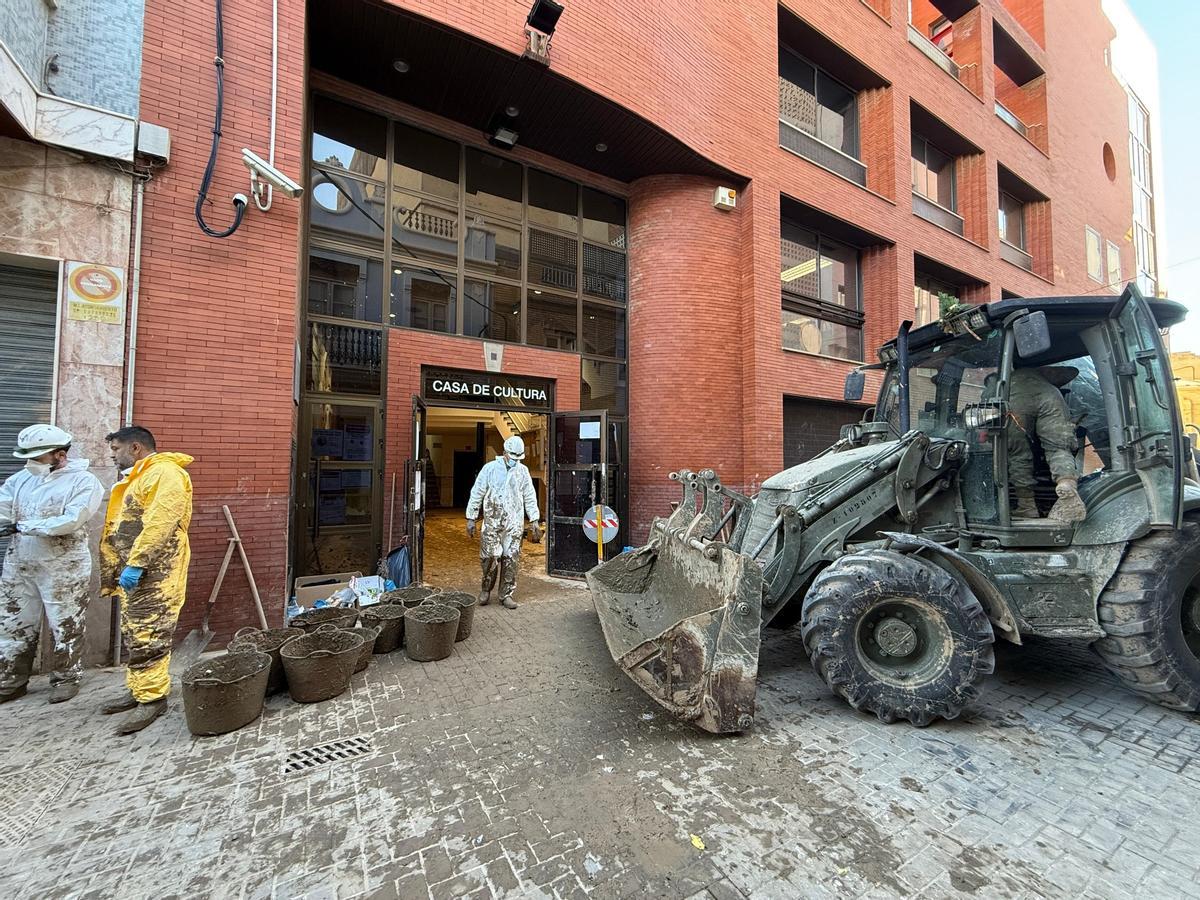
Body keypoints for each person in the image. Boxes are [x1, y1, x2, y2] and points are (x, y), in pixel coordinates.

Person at [0, 425, 105, 703]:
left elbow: (73, 519)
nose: (31, 463)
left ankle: (66, 678)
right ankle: (11, 681)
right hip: (21, 563)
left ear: (60, 454)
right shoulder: (22, 479)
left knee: (65, 624)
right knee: (13, 622)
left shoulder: (83, 481)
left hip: (63, 566)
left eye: (38, 457)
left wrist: (23, 526)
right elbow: (4, 505)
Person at [99, 425, 193, 734]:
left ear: (136, 448)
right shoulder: (140, 477)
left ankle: (153, 698)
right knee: (135, 631)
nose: (113, 457)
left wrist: (138, 562)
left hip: (158, 570)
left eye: (116, 450)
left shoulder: (165, 474)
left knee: (150, 633)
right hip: (137, 571)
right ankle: (139, 689)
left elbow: (161, 521)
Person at [466, 435, 540, 610]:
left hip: (514, 524)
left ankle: (506, 594)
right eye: (513, 457)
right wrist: (471, 517)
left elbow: (529, 495)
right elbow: (477, 492)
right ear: (505, 452)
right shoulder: (490, 469)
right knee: (489, 558)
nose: (515, 461)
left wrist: (534, 519)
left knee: (511, 559)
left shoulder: (522, 471)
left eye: (518, 458)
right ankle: (485, 589)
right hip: (492, 522)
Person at [1007, 366, 1087, 522]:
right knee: (1059, 448)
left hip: (1014, 400)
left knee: (1018, 454)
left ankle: (1026, 507)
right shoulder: (1046, 379)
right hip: (1051, 396)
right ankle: (1066, 481)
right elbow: (1072, 372)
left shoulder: (999, 381)